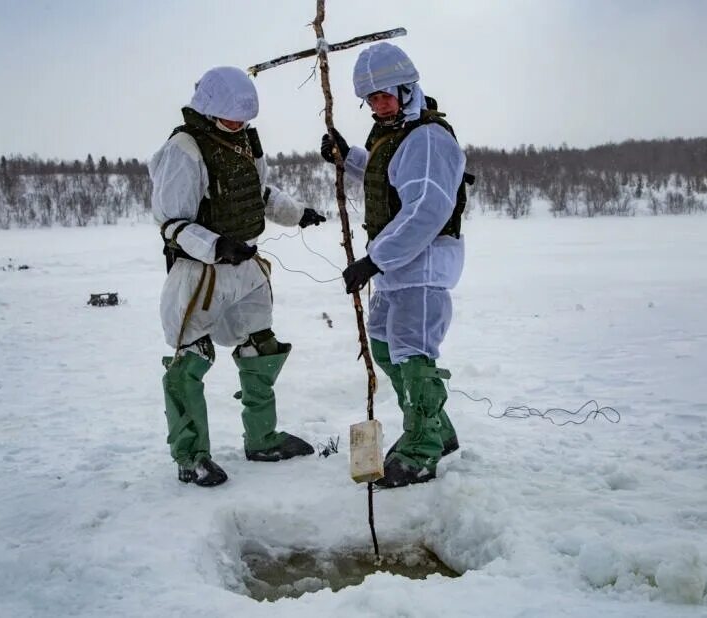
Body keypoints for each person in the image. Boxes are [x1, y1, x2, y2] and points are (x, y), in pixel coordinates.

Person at [149, 66, 326, 487]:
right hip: (200, 272)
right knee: (190, 358)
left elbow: (258, 193)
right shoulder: (184, 149)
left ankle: (263, 438)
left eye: (243, 120)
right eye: (231, 119)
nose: (238, 126)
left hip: (246, 267)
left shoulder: (245, 142)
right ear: (209, 110)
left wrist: (298, 214)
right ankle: (191, 455)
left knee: (260, 346)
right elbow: (170, 222)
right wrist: (215, 245)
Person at [320, 43, 468, 488]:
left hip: (421, 269)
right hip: (396, 269)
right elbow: (392, 180)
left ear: (407, 90)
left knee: (413, 354)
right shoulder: (399, 135)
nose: (378, 105)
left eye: (386, 95)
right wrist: (349, 160)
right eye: (371, 99)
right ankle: (436, 430)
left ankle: (421, 450)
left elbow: (425, 208)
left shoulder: (428, 137)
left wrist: (373, 259)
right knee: (385, 346)